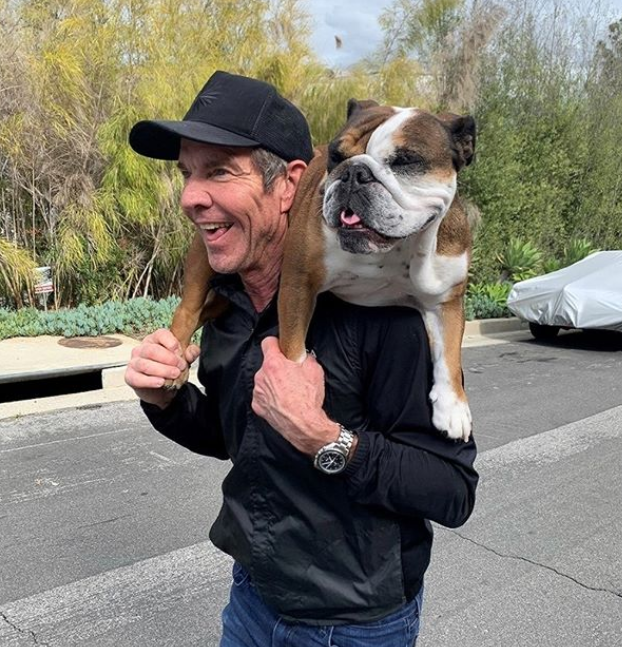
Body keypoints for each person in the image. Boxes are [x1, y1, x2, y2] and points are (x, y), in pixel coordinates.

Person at [125, 70, 478, 647]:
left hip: (355, 625)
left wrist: (325, 437)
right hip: (252, 600)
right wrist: (165, 401)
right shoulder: (231, 304)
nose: (190, 197)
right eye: (187, 173)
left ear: (291, 183)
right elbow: (235, 438)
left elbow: (452, 490)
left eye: (219, 171)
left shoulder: (388, 308)